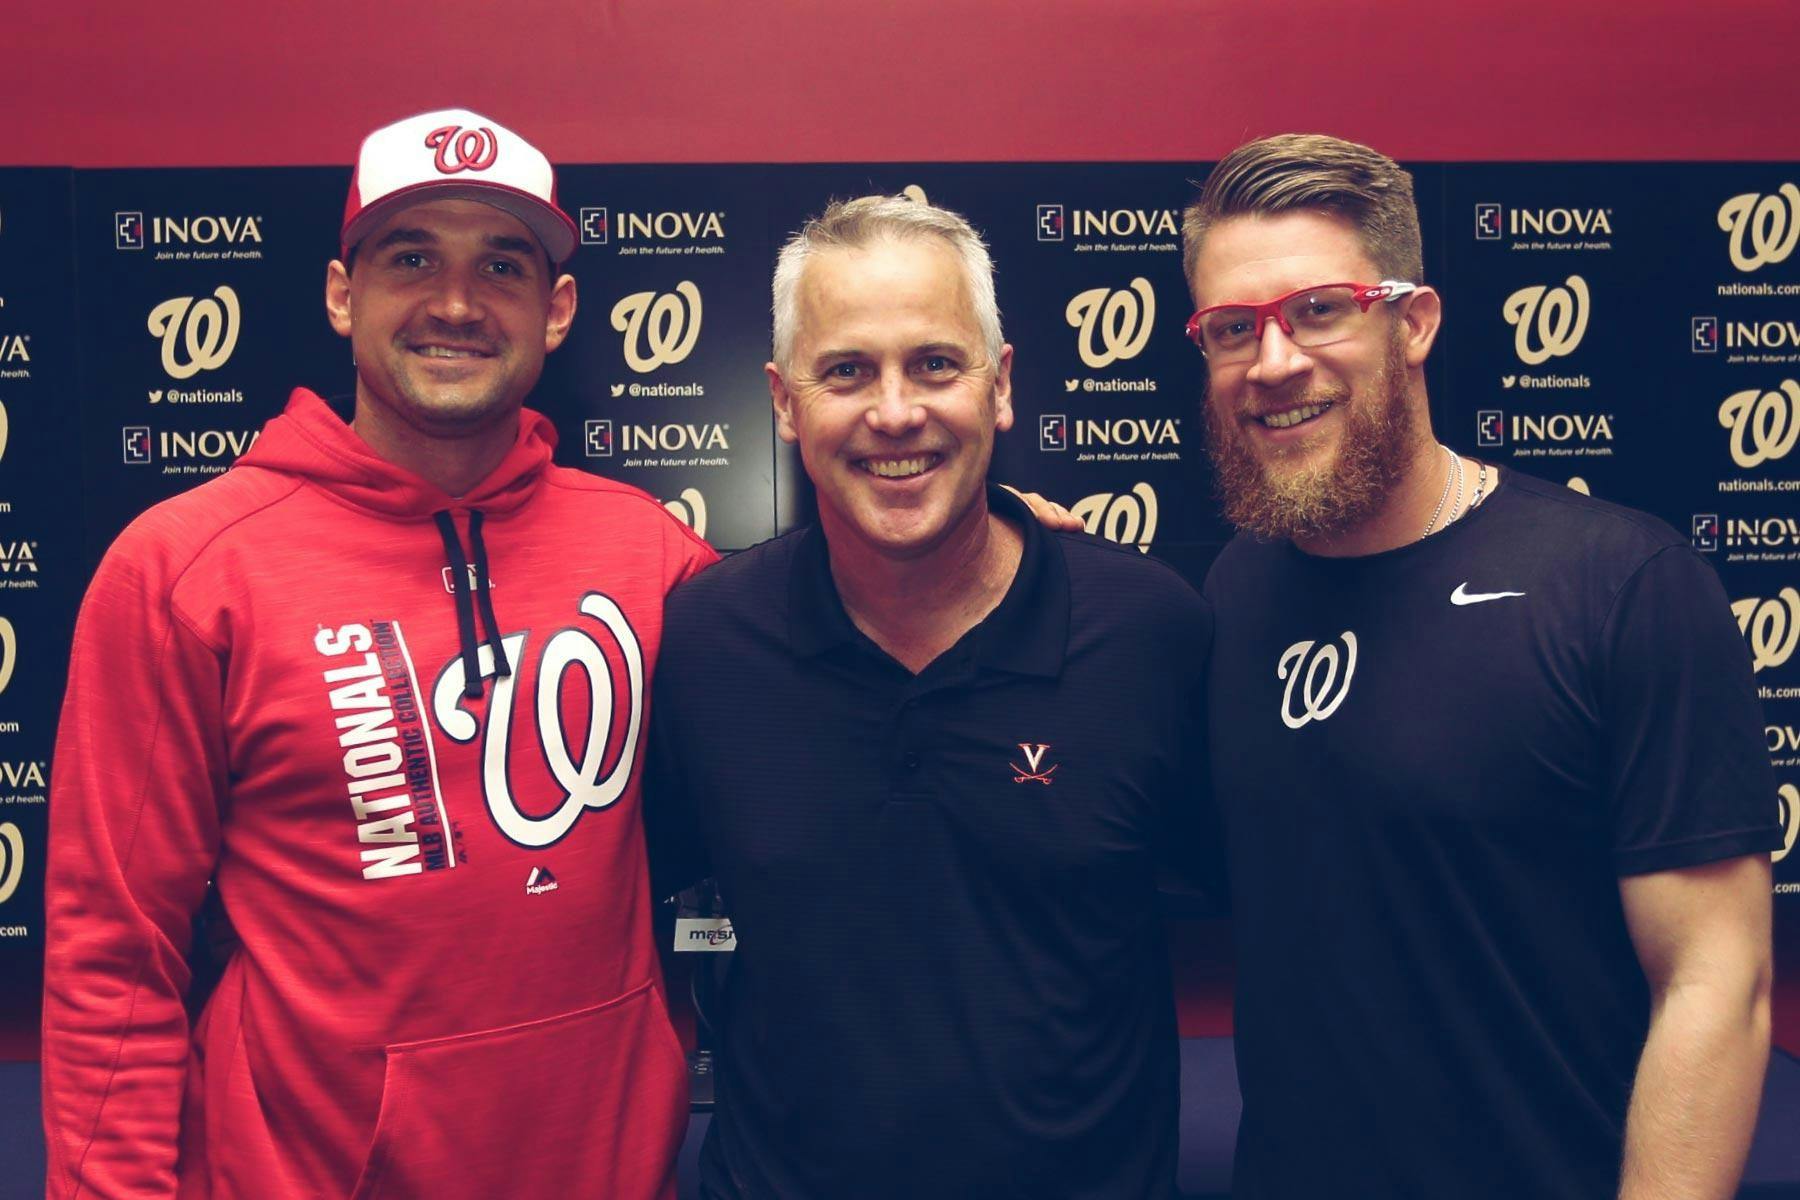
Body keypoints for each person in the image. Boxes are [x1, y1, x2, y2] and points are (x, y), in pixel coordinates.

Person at [42, 109, 713, 1198]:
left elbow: (835, 652)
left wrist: (1001, 549)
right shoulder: (182, 570)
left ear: (557, 311)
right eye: (411, 259)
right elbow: (112, 953)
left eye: (501, 264)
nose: (454, 303)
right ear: (341, 296)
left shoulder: (653, 553)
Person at [1187, 134, 1778, 1199]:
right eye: (1234, 330)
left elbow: (1714, 980)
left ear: (1411, 320)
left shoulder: (1621, 584)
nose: (1273, 363)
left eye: (1320, 308)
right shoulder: (1232, 591)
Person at [643, 195, 1212, 1199]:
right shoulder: (703, 641)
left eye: (936, 364)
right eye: (847, 370)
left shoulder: (1151, 632)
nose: (895, 411)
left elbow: (1298, 915)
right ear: (784, 403)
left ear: (1000, 386)